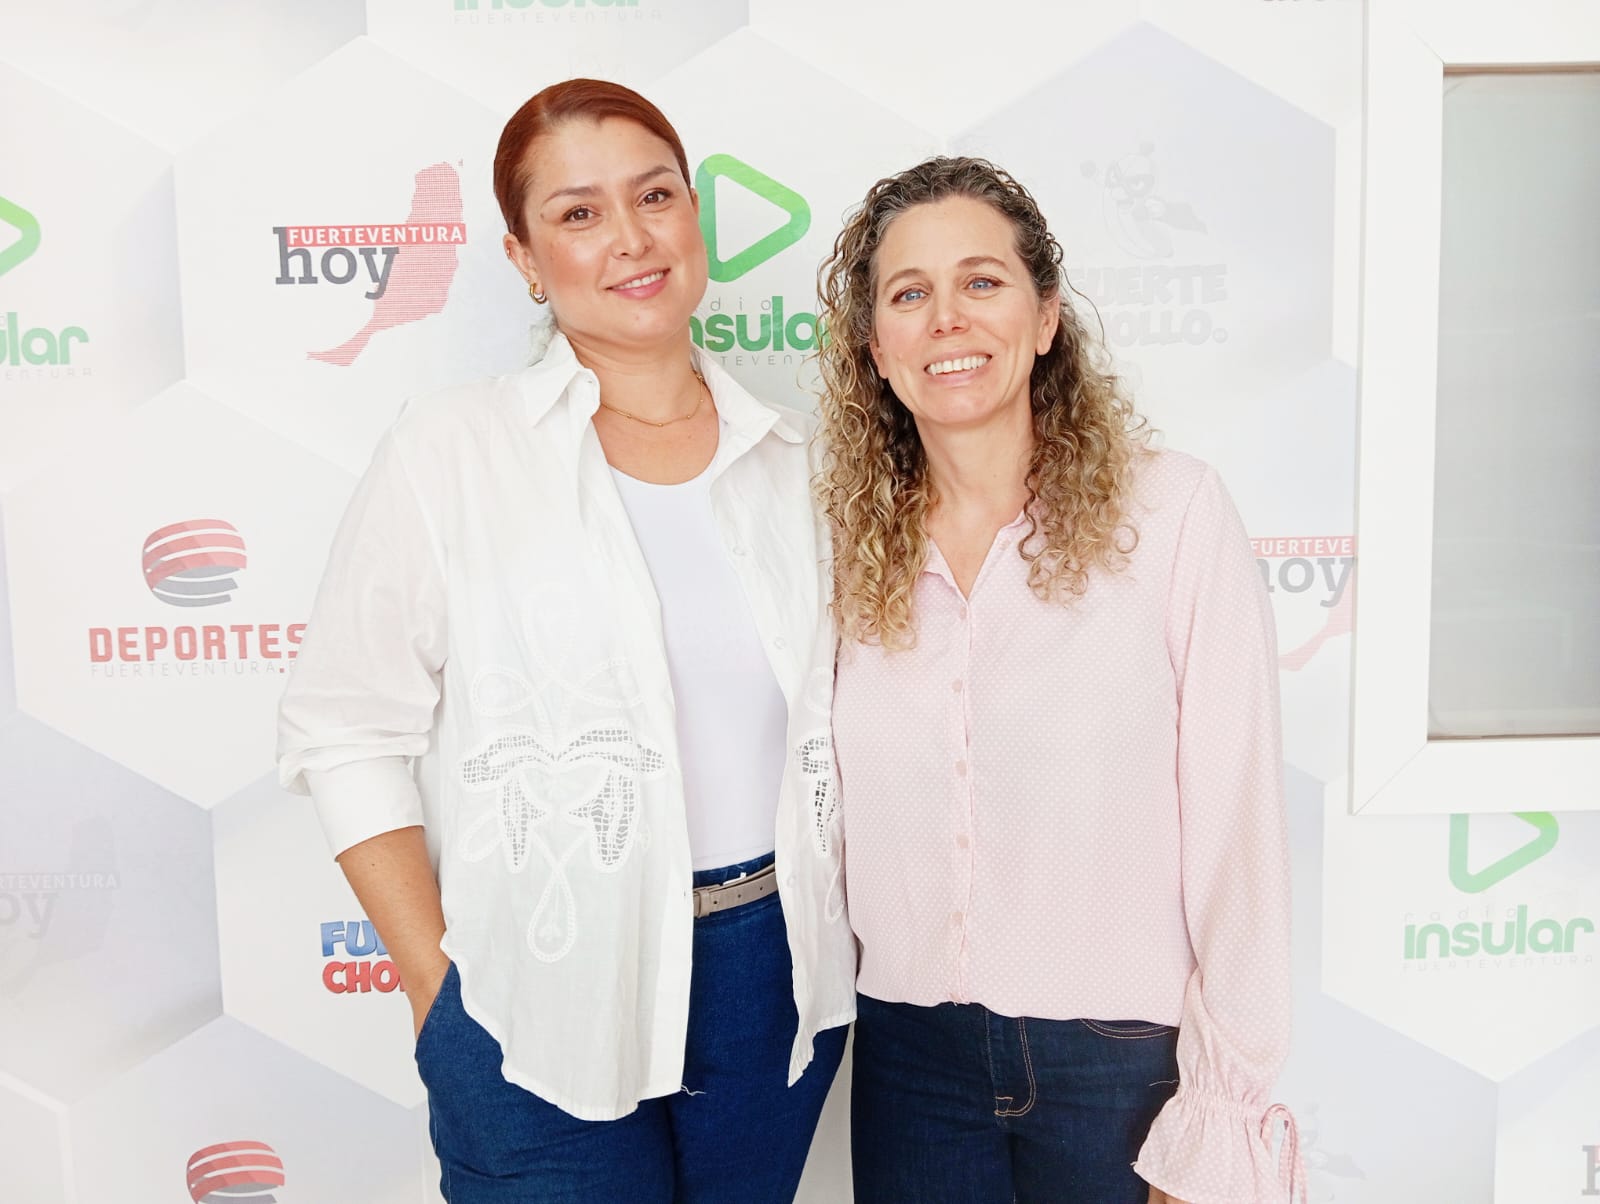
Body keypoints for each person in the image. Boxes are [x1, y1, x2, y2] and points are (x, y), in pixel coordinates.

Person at [277, 79, 853, 1204]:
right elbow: (343, 729)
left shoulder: (798, 462)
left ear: (693, 216)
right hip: (534, 983)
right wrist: (437, 986)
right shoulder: (451, 450)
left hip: (771, 977)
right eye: (579, 213)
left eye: (654, 196)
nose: (630, 238)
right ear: (525, 258)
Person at [816, 156, 1305, 1204]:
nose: (947, 318)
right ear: (877, 350)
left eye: (982, 281)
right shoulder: (840, 553)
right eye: (909, 294)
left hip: (1120, 1069)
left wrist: (1216, 1125)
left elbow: (1238, 833)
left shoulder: (1172, 516)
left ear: (1044, 318)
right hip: (909, 1060)